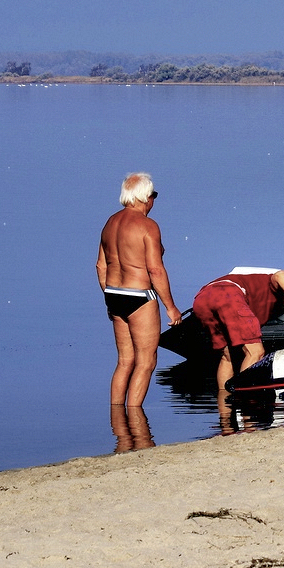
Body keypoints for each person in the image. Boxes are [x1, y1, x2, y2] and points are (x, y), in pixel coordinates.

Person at [97, 172, 182, 406]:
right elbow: (155, 270)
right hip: (139, 296)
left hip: (114, 294)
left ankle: (117, 423)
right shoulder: (148, 226)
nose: (153, 200)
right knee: (146, 362)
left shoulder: (110, 223)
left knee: (125, 361)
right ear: (145, 197)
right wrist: (171, 308)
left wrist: (108, 298)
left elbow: (101, 265)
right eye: (153, 195)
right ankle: (135, 420)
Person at [191, 267, 284, 391]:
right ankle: (243, 400)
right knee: (255, 353)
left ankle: (224, 403)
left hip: (202, 300)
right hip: (229, 294)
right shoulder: (271, 284)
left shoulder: (245, 279)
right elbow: (281, 274)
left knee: (228, 357)